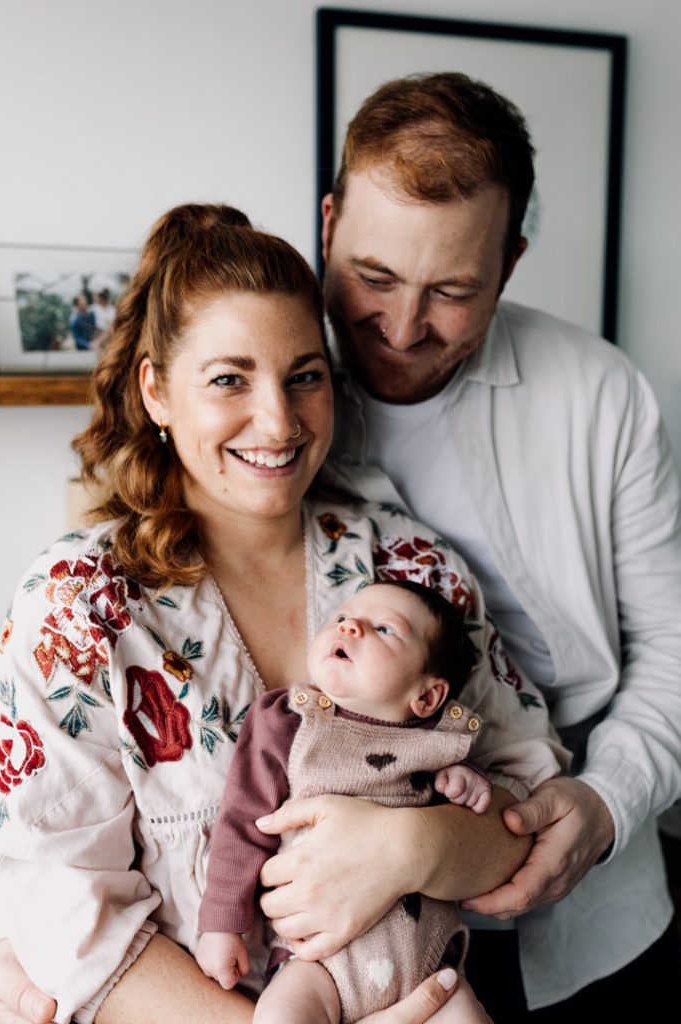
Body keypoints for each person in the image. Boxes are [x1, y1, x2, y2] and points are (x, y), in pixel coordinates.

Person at [0, 202, 565, 1024]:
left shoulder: (404, 567)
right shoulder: (76, 610)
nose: (278, 421)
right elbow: (62, 912)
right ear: (156, 390)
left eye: (304, 376)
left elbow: (531, 800)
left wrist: (423, 846)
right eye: (229, 378)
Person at [315, 72, 681, 1019]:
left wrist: (605, 804)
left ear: (510, 264)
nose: (399, 329)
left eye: (452, 291)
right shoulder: (262, 402)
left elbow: (674, 646)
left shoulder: (601, 396)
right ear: (327, 224)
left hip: (603, 914)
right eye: (374, 277)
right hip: (346, 943)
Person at [195, 579, 565, 1024]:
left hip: (429, 968)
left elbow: (474, 837)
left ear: (427, 696)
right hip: (316, 963)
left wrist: (468, 786)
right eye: (343, 618)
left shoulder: (441, 747)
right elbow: (241, 821)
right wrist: (221, 922)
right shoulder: (291, 723)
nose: (350, 627)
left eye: (385, 629)